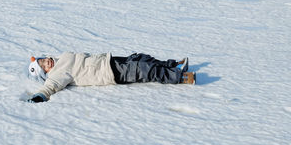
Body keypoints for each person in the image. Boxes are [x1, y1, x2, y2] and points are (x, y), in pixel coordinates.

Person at [28, 53, 196, 102]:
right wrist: (39, 96)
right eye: (43, 67)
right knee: (144, 70)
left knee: (141, 58)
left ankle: (173, 66)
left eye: (43, 60)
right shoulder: (55, 76)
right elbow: (49, 88)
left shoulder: (59, 59)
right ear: (45, 74)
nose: (46, 63)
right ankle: (181, 77)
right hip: (109, 73)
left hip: (109, 60)